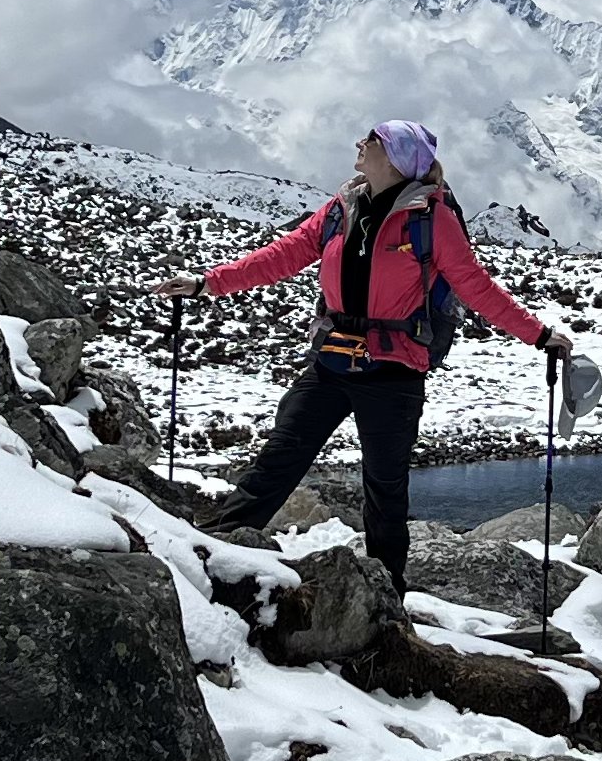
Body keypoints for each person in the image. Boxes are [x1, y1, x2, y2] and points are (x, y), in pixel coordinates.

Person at [149, 119, 570, 588]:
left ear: (392, 157)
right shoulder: (342, 207)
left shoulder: (432, 219)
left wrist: (537, 334)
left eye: (369, 142)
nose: (359, 145)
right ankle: (211, 555)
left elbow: (474, 285)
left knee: (385, 489)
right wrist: (209, 283)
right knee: (279, 459)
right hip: (331, 360)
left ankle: (386, 593)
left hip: (393, 372)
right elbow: (285, 254)